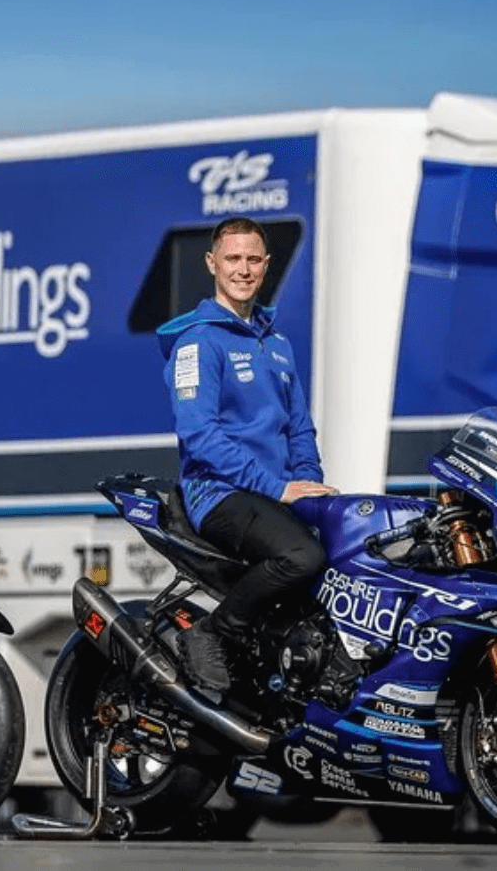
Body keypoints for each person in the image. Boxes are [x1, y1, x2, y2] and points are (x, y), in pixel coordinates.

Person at [157, 216, 336, 692]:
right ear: (212, 263)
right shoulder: (198, 341)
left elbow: (300, 429)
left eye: (253, 259)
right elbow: (200, 437)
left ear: (266, 265)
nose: (243, 269)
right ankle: (215, 632)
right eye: (233, 258)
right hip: (219, 493)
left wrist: (309, 488)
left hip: (273, 496)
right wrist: (278, 487)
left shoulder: (277, 345)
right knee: (302, 556)